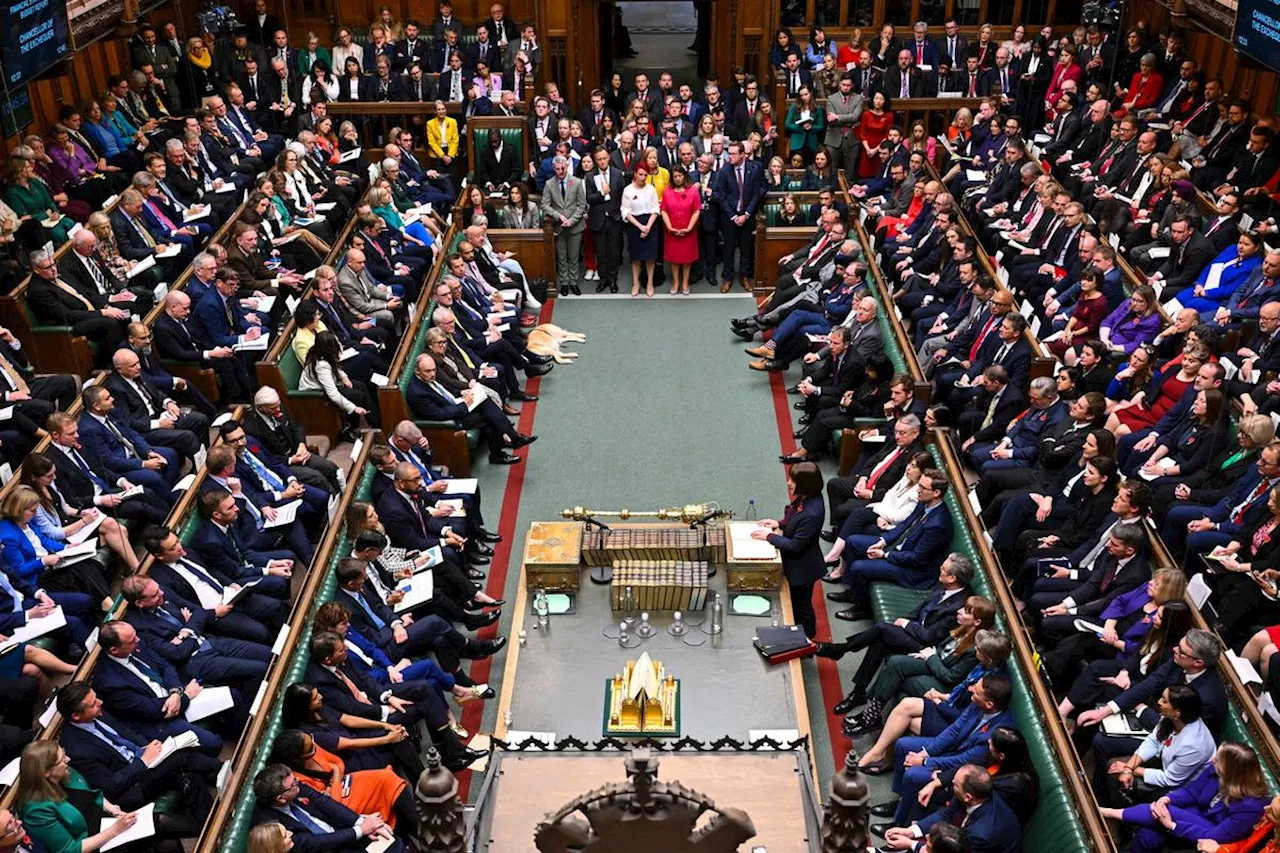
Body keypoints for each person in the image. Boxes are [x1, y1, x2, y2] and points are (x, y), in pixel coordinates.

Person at [1099, 744, 1268, 853]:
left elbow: (1214, 837)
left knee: (1164, 813)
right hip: (1196, 813)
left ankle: (1109, 814)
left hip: (1210, 831)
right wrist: (1168, 799)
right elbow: (1191, 793)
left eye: (1218, 761)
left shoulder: (1250, 807)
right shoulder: (1216, 769)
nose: (1212, 760)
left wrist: (1171, 825)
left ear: (1233, 772)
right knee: (1147, 836)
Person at [13, 742, 151, 853]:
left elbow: (94, 794)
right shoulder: (36, 810)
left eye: (64, 754)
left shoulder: (65, 773)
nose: (68, 759)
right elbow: (69, 849)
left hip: (107, 823)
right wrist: (114, 830)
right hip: (92, 843)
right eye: (62, 760)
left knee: (164, 826)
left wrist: (113, 810)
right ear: (46, 772)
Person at [752, 461, 824, 638]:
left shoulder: (813, 513)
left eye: (792, 480)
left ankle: (808, 639)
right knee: (797, 603)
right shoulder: (806, 497)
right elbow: (793, 516)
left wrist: (769, 536)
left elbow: (795, 545)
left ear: (805, 484)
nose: (788, 483)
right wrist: (780, 524)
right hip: (799, 561)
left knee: (801, 606)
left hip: (803, 568)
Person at [713, 141, 763, 293]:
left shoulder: (754, 169)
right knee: (728, 248)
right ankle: (727, 278)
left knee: (746, 248)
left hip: (747, 215)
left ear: (742, 155)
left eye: (734, 154)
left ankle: (745, 277)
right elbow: (719, 195)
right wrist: (733, 216)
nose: (730, 157)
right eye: (729, 153)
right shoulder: (724, 171)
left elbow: (758, 191)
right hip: (729, 217)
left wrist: (747, 214)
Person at [540, 155, 586, 297]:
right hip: (558, 226)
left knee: (573, 256)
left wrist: (571, 220)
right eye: (558, 169)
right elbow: (544, 204)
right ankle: (564, 283)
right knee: (561, 257)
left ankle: (573, 282)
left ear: (567, 166)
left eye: (563, 168)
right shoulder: (549, 184)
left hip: (575, 225)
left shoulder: (577, 182)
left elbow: (581, 205)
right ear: (554, 168)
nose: (561, 171)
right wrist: (558, 216)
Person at [660, 167, 701, 295]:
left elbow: (696, 210)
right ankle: (676, 282)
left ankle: (685, 283)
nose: (678, 178)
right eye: (675, 176)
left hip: (688, 231)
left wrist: (689, 228)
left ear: (684, 176)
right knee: (674, 259)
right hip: (671, 231)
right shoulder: (667, 191)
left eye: (680, 176)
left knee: (686, 259)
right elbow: (663, 210)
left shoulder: (693, 191)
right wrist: (669, 227)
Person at [621, 164, 661, 297]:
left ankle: (649, 283)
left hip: (650, 223)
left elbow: (656, 209)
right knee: (636, 258)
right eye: (640, 174)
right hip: (634, 225)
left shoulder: (651, 190)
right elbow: (625, 211)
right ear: (635, 175)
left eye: (645, 175)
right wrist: (640, 227)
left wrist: (648, 226)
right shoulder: (628, 190)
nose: (643, 178)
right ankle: (636, 283)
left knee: (650, 257)